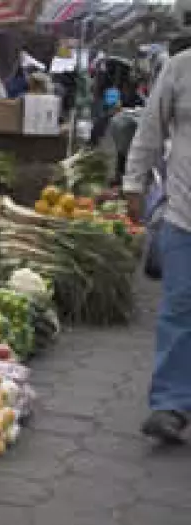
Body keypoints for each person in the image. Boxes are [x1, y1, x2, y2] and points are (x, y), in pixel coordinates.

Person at [123, 44, 191, 444]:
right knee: (179, 308)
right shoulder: (181, 68)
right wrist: (134, 181)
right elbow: (150, 128)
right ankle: (170, 404)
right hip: (184, 215)